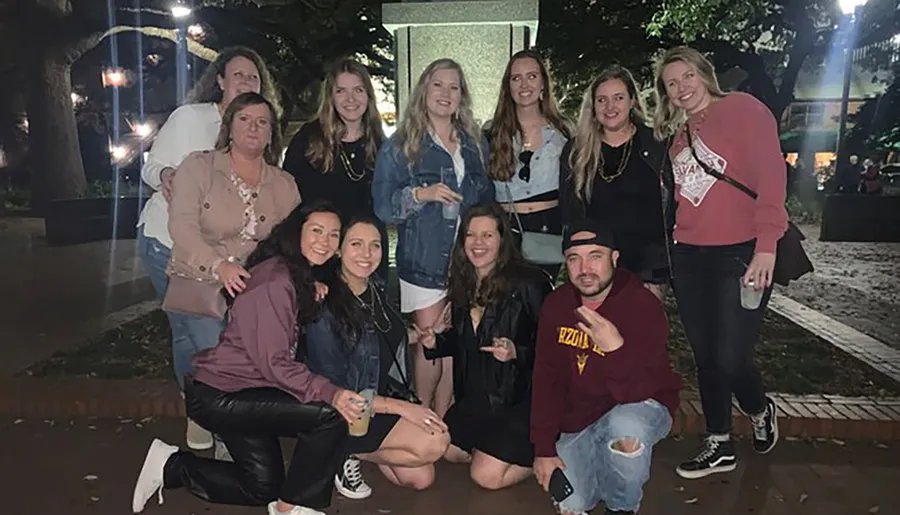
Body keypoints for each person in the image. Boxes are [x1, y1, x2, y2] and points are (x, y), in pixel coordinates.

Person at [132, 202, 356, 515]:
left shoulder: (291, 274)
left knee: (261, 486)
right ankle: (295, 507)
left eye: (334, 235)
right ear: (296, 233)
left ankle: (171, 466)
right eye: (316, 230)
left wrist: (309, 292)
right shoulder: (276, 282)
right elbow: (276, 364)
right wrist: (332, 393)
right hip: (222, 396)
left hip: (241, 390)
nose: (325, 241)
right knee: (329, 415)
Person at [136, 46, 279, 451]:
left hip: (221, 255)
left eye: (253, 77)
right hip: (166, 242)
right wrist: (163, 173)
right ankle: (213, 420)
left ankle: (202, 413)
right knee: (203, 334)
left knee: (191, 333)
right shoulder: (191, 119)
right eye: (238, 76)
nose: (246, 83)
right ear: (220, 80)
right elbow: (149, 166)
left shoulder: (257, 129)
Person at [653, 46, 787, 479]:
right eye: (671, 83)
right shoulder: (679, 135)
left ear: (704, 74)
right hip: (690, 257)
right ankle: (719, 441)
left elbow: (771, 175)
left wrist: (766, 245)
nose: (681, 87)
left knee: (731, 354)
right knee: (706, 354)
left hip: (740, 252)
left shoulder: (745, 109)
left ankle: (757, 406)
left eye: (687, 76)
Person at [530, 219, 681, 515]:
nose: (585, 269)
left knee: (626, 428)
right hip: (581, 420)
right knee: (572, 504)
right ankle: (604, 465)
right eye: (575, 259)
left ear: (614, 258)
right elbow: (546, 380)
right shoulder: (557, 306)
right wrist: (543, 449)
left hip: (640, 405)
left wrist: (615, 349)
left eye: (595, 256)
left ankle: (622, 508)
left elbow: (637, 391)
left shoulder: (641, 305)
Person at [373, 58, 495, 417]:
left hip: (466, 258)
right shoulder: (401, 144)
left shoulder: (474, 142)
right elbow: (382, 206)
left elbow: (484, 197)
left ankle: (444, 420)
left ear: (462, 95)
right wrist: (420, 194)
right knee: (430, 344)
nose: (445, 93)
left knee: (454, 342)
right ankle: (422, 417)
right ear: (424, 90)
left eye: (453, 87)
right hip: (424, 261)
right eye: (438, 85)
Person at [305, 217, 450, 499]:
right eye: (356, 244)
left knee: (421, 477)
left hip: (376, 400)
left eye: (375, 246)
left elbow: (379, 337)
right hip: (345, 411)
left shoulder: (376, 287)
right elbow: (336, 389)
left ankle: (349, 452)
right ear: (338, 250)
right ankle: (339, 447)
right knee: (435, 442)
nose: (366, 254)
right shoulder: (325, 306)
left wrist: (421, 335)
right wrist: (403, 408)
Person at [419, 202, 553, 490]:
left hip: (518, 402)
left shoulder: (530, 283)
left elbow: (554, 348)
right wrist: (435, 342)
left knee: (485, 477)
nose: (478, 243)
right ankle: (491, 450)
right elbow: (465, 342)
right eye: (470, 235)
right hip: (476, 400)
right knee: (444, 449)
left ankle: (544, 458)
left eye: (487, 235)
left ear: (502, 240)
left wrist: (517, 352)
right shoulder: (463, 281)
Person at [560, 65, 672, 299]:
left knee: (639, 333)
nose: (610, 107)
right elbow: (570, 214)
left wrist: (660, 269)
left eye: (618, 98)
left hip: (647, 268)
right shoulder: (577, 151)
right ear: (593, 107)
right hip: (593, 269)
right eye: (602, 100)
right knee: (596, 334)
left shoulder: (655, 145)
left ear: (632, 101)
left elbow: (670, 207)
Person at [283, 58, 389, 280]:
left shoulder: (381, 144)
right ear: (330, 97)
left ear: (368, 96)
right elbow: (289, 201)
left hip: (365, 256)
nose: (350, 99)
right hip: (320, 254)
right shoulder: (308, 139)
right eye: (341, 91)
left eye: (358, 90)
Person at [486, 50, 571, 278]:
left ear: (543, 83)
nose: (524, 84)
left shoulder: (564, 131)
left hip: (548, 227)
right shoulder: (490, 132)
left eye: (532, 76)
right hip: (504, 228)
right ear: (508, 86)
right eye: (516, 78)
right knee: (503, 303)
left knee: (540, 300)